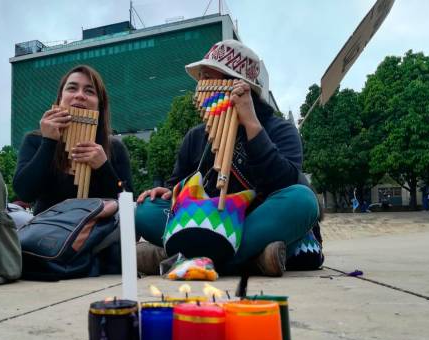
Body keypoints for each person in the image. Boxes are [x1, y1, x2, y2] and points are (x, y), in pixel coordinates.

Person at [135, 40, 321, 277]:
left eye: (208, 77)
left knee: (302, 200)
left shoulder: (280, 129)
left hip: (255, 220)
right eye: (200, 78)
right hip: (207, 220)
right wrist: (169, 193)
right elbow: (177, 185)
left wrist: (251, 124)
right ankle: (251, 259)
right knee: (144, 211)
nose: (200, 86)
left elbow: (282, 183)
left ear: (238, 85)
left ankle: (180, 258)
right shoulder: (195, 136)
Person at [13, 65, 133, 215]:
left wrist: (104, 167)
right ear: (60, 99)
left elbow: (126, 197)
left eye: (89, 91)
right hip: (49, 230)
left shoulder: (115, 148)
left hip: (98, 231)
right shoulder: (35, 140)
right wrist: (48, 142)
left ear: (99, 106)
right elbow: (25, 192)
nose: (80, 95)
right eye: (72, 88)